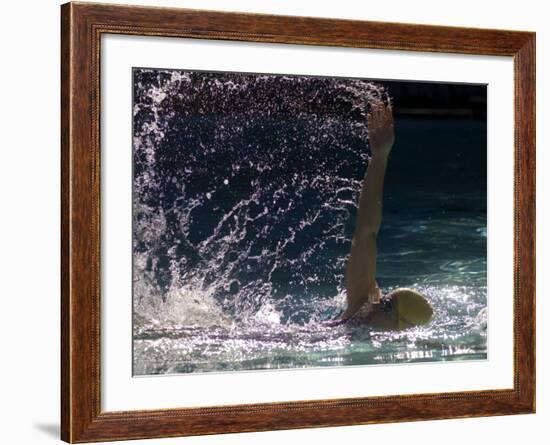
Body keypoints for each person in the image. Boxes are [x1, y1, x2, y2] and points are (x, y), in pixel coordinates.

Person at [327, 101, 432, 328]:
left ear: (400, 326)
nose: (375, 304)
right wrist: (380, 156)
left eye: (386, 306)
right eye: (384, 300)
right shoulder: (358, 312)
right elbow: (366, 231)